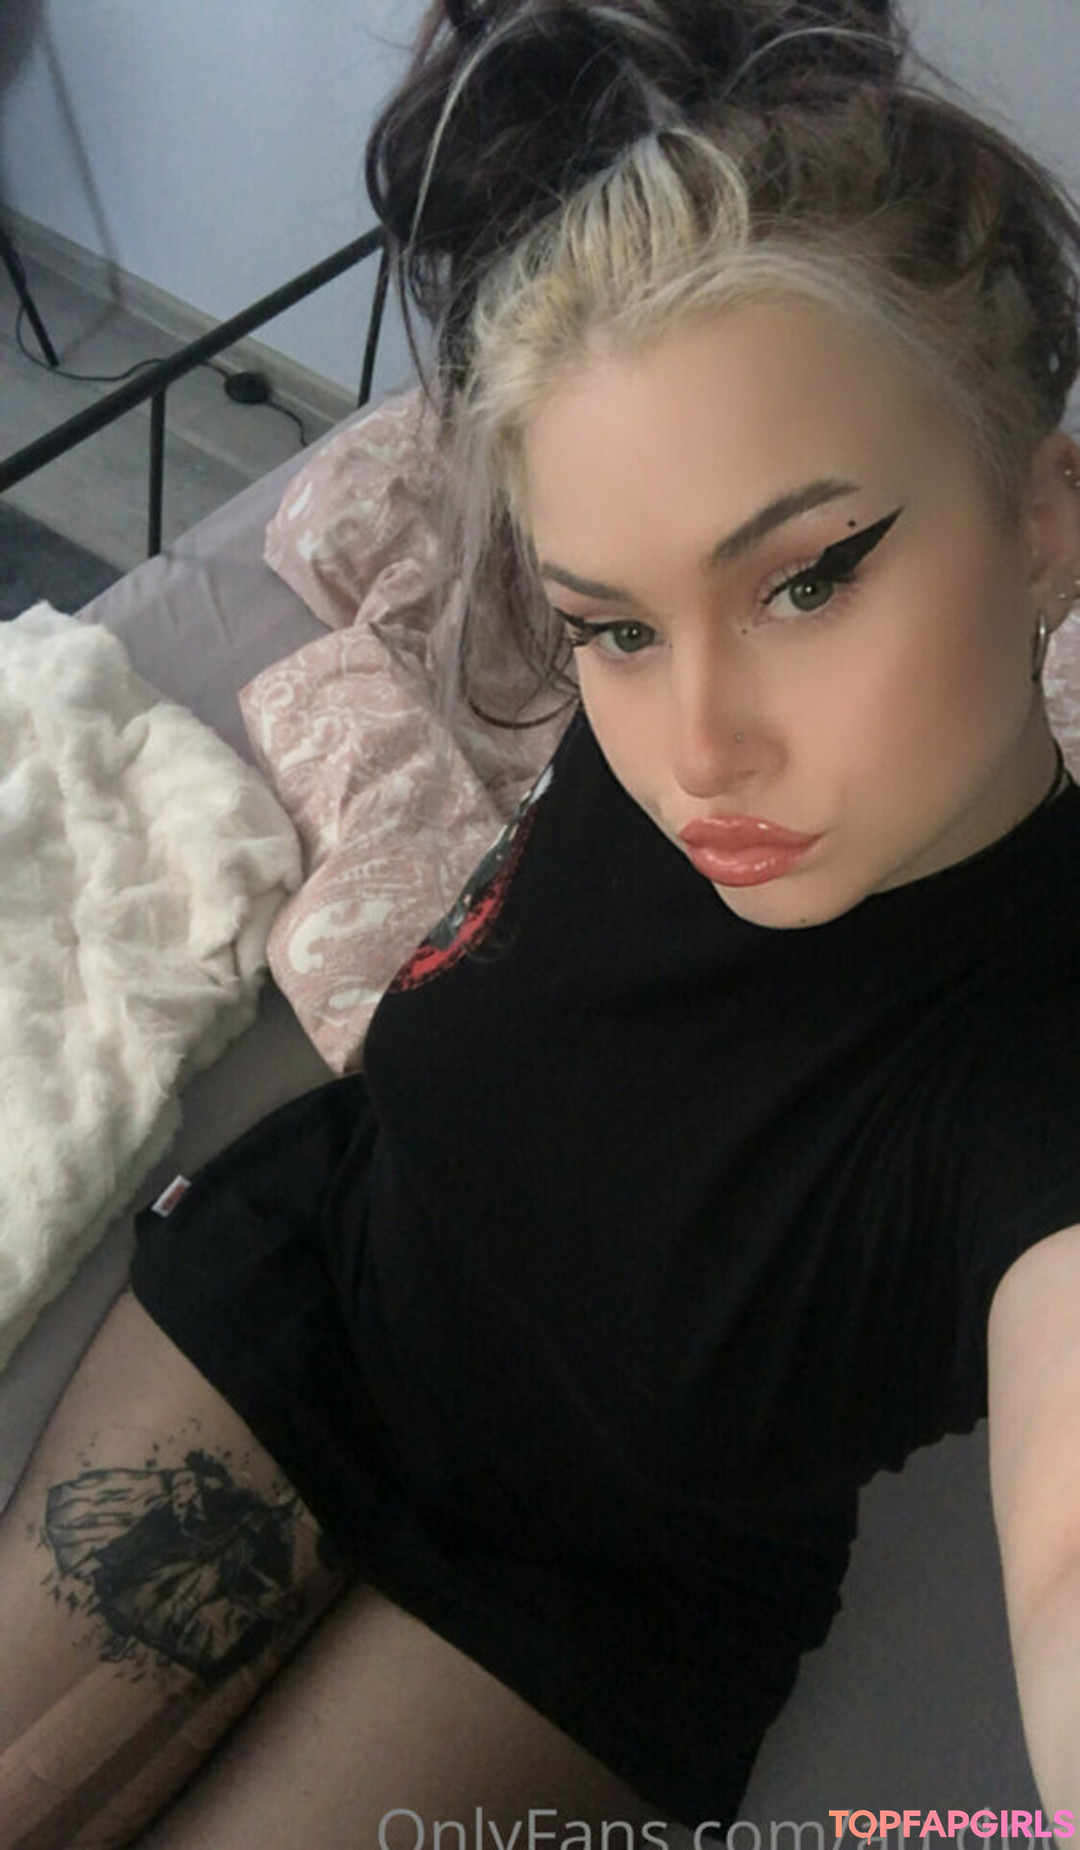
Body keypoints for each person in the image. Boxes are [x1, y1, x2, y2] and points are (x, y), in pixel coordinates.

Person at [2, 1, 1080, 1843]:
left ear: (1050, 521)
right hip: (328, 1288)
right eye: (614, 627)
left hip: (599, 1596)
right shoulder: (680, 741)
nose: (701, 745)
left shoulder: (1043, 1064)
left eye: (810, 579)